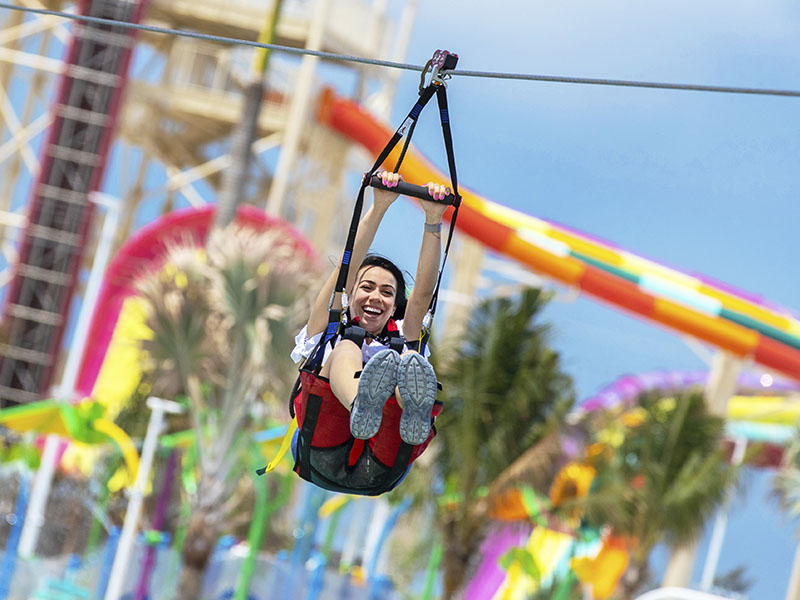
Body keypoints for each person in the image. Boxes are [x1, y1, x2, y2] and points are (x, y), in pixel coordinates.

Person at [289, 170, 450, 493]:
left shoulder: (405, 335)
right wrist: (378, 206)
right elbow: (341, 273)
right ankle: (362, 401)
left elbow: (421, 296)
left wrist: (434, 219)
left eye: (387, 293)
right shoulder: (329, 329)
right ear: (351, 295)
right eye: (367, 287)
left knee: (409, 365)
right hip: (322, 447)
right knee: (346, 348)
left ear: (394, 307)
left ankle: (413, 412)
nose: (376, 297)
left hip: (383, 459)